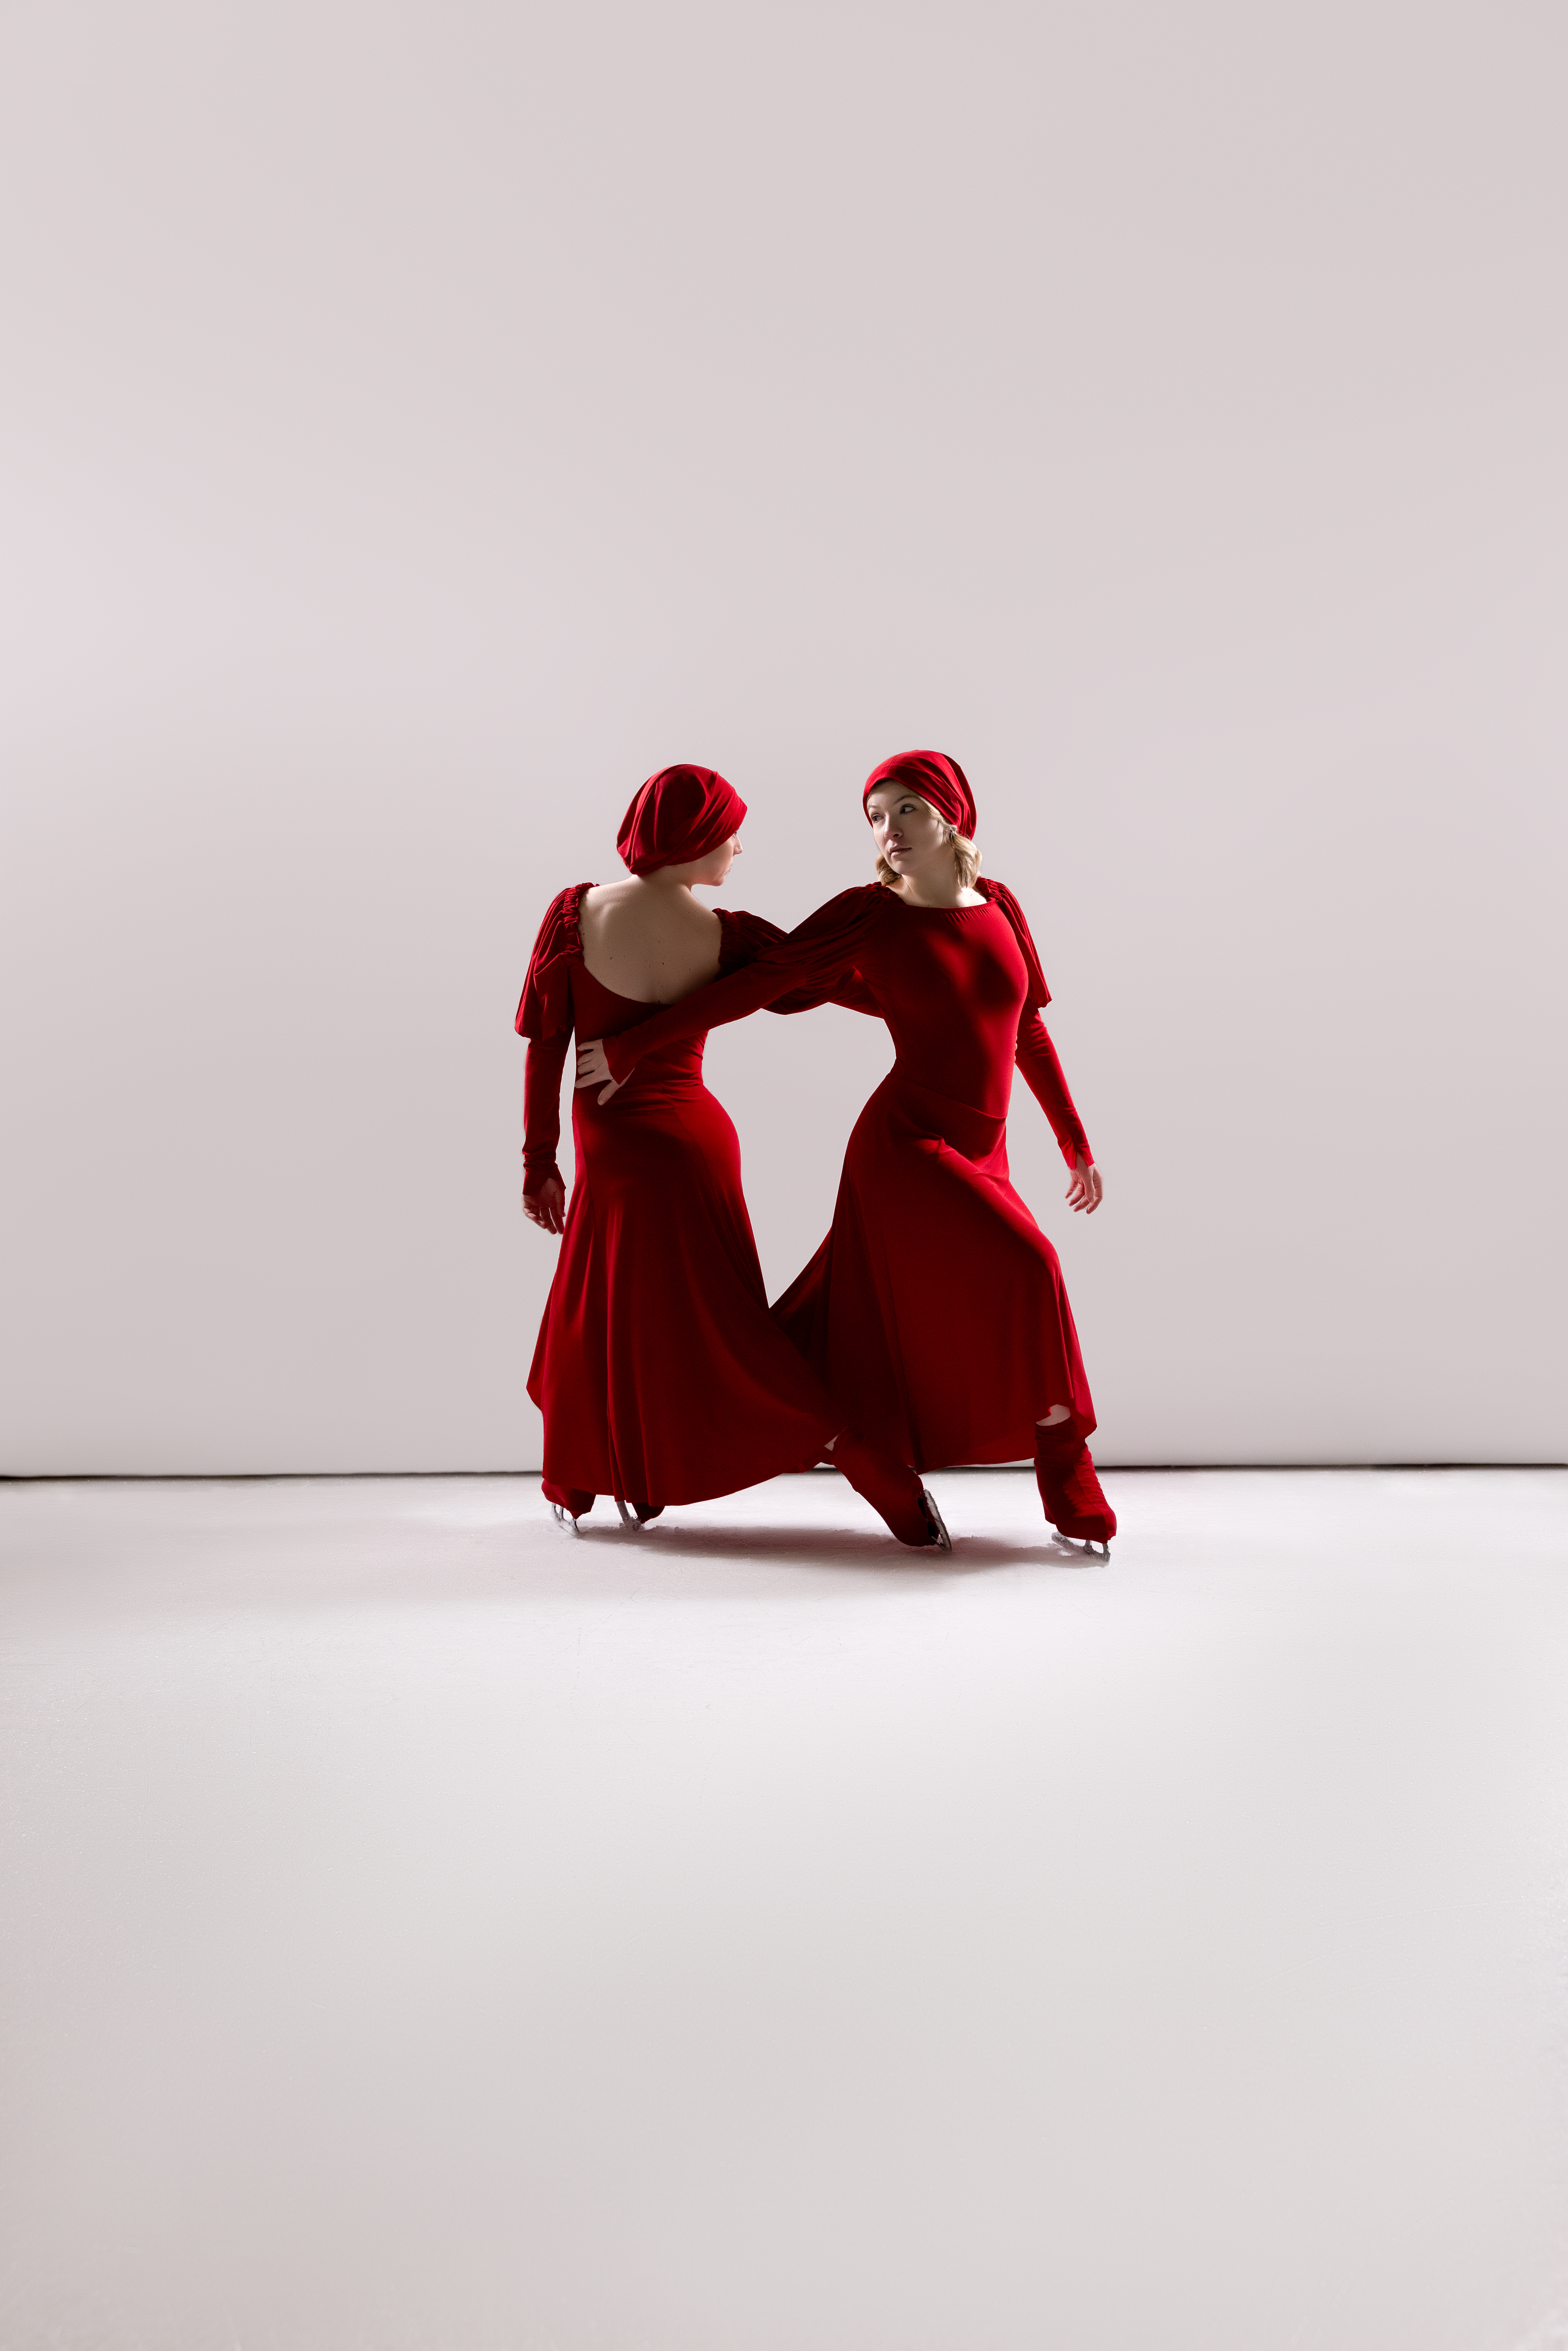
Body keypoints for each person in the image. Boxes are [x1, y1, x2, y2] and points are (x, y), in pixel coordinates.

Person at [574, 751, 1116, 1554]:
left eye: (906, 811)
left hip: (985, 1149)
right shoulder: (872, 916)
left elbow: (1024, 1026)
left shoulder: (1001, 907)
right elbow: (764, 983)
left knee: (832, 1338)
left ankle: (684, 1435)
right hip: (907, 1143)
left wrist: (1075, 1142)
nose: (887, 830)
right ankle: (1065, 1464)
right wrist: (636, 1046)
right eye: (875, 815)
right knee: (1033, 1266)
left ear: (952, 816)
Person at [517, 761, 949, 1546]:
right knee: (725, 1332)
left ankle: (582, 1478)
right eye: (729, 833)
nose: (740, 848)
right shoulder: (727, 935)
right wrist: (926, 985)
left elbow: (547, 1047)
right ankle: (857, 1462)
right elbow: (815, 982)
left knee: (604, 1312)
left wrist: (538, 1160)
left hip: (614, 1151)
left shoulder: (574, 916)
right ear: (693, 839)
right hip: (700, 1146)